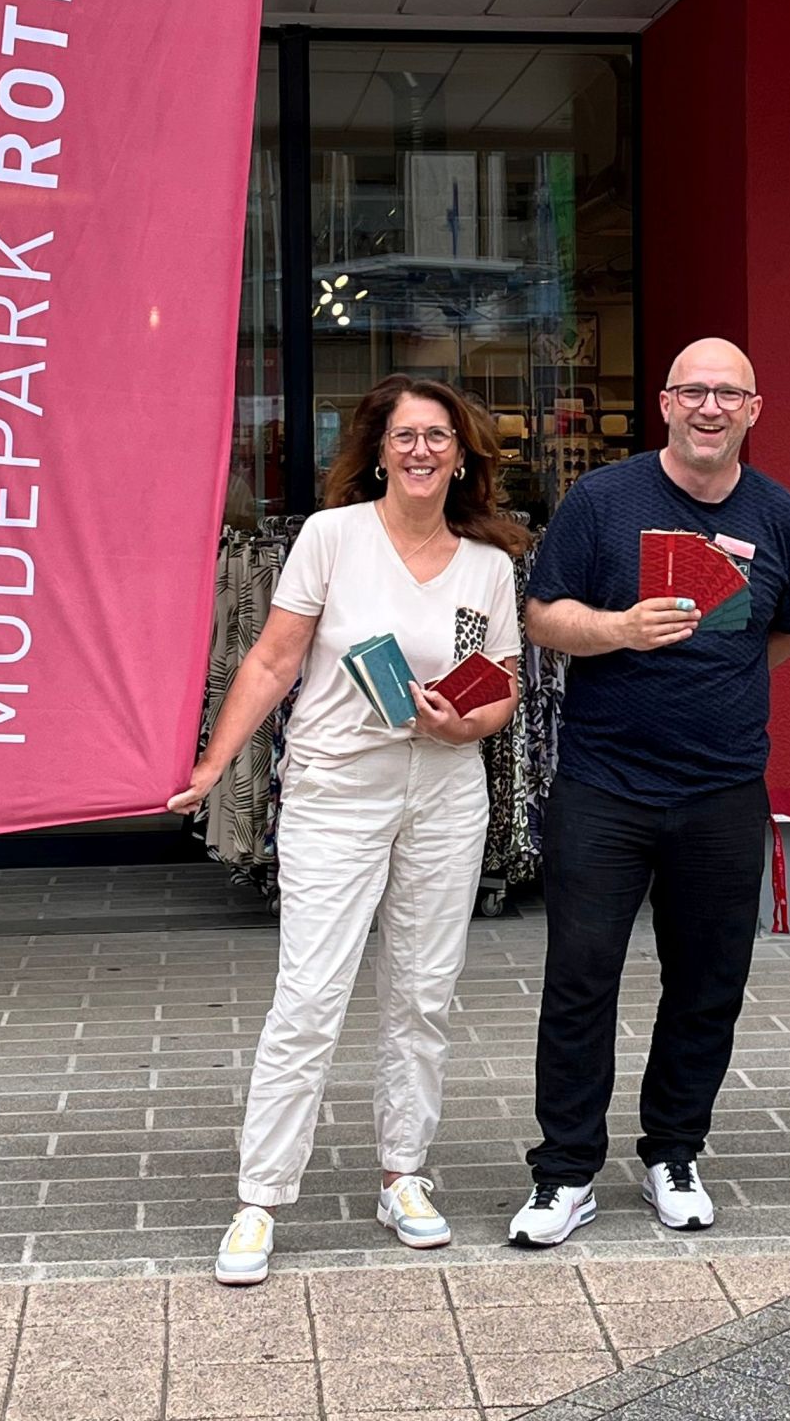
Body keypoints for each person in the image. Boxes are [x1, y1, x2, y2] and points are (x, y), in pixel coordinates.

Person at [169, 376, 525, 1285]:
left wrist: (465, 724)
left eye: (437, 437)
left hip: (446, 793)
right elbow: (272, 658)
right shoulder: (332, 539)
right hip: (337, 790)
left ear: (460, 455)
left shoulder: (487, 562)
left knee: (424, 994)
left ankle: (403, 1174)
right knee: (310, 995)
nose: (420, 451)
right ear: (377, 449)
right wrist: (211, 768)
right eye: (405, 436)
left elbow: (504, 689)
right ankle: (260, 1197)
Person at [508, 337, 790, 1247]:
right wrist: (620, 630)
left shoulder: (786, 520)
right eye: (694, 392)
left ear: (755, 410)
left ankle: (673, 1151)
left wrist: (715, 673)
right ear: (665, 403)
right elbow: (541, 615)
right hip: (604, 784)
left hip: (724, 788)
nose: (711, 408)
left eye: (729, 394)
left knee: (708, 981)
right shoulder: (603, 501)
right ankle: (565, 1170)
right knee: (579, 977)